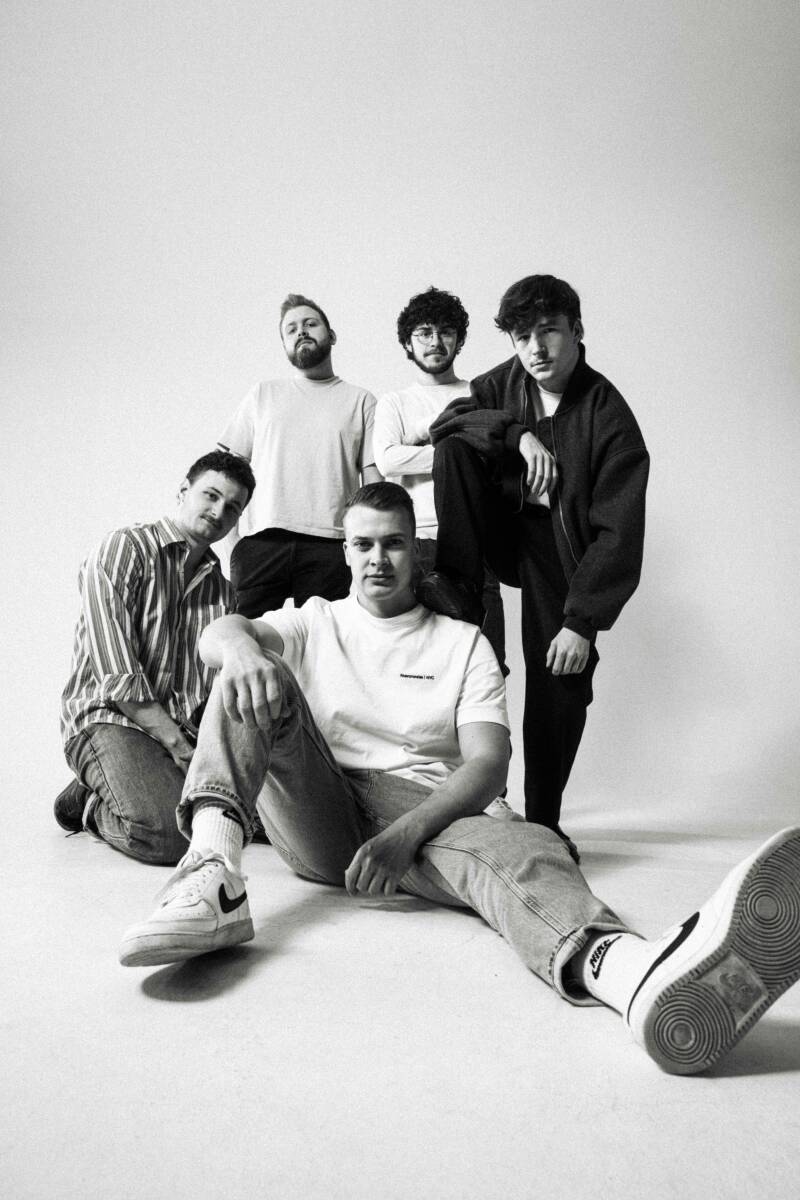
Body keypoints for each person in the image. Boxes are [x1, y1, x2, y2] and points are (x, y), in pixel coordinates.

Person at [118, 482, 800, 1078]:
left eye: (392, 544)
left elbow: (486, 765)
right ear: (346, 552)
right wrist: (241, 649)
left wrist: (405, 835)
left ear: (415, 552)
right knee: (247, 673)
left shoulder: (460, 641)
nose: (377, 559)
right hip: (319, 807)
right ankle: (213, 874)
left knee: (520, 848)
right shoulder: (315, 620)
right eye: (363, 545)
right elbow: (220, 634)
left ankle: (629, 974)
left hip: (419, 810)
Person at [420, 275, 650, 859]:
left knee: (562, 675)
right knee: (456, 447)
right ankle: (459, 589)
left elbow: (620, 533)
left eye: (548, 332)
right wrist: (517, 435)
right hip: (500, 531)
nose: (535, 349)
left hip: (560, 552)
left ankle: (544, 822)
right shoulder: (502, 383)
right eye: (522, 337)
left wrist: (582, 621)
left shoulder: (609, 414)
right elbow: (445, 424)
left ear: (577, 329)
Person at [55, 450, 256, 864]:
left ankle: (133, 783)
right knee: (169, 836)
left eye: (232, 507)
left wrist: (209, 750)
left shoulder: (223, 592)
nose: (219, 512)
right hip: (108, 719)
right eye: (211, 495)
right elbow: (118, 676)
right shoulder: (123, 549)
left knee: (246, 820)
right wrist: (180, 748)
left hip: (177, 731)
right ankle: (88, 805)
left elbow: (210, 692)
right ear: (183, 491)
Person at [218, 294, 380, 617]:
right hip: (261, 542)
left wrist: (368, 546)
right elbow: (228, 470)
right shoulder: (263, 394)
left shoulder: (361, 400)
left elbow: (373, 483)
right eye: (290, 330)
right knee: (246, 638)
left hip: (331, 544)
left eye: (310, 324)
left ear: (331, 335)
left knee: (325, 642)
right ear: (285, 346)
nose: (301, 332)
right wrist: (230, 542)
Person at [373, 287, 505, 667]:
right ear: (408, 342)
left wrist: (417, 442)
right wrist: (456, 450)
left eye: (446, 331)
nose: (435, 342)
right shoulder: (395, 402)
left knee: (486, 663)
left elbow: (496, 457)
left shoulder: (479, 394)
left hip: (478, 546)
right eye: (424, 333)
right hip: (418, 545)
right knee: (417, 666)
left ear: (459, 340)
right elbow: (388, 460)